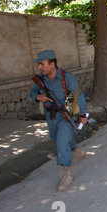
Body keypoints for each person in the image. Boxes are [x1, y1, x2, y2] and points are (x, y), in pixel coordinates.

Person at [30, 50, 88, 191]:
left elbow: (78, 95)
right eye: (39, 65)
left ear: (52, 64)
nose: (39, 68)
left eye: (42, 64)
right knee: (55, 137)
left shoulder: (66, 78)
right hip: (50, 115)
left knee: (61, 143)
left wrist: (84, 115)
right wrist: (39, 97)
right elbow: (32, 93)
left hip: (65, 114)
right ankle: (76, 150)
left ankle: (67, 173)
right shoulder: (41, 79)